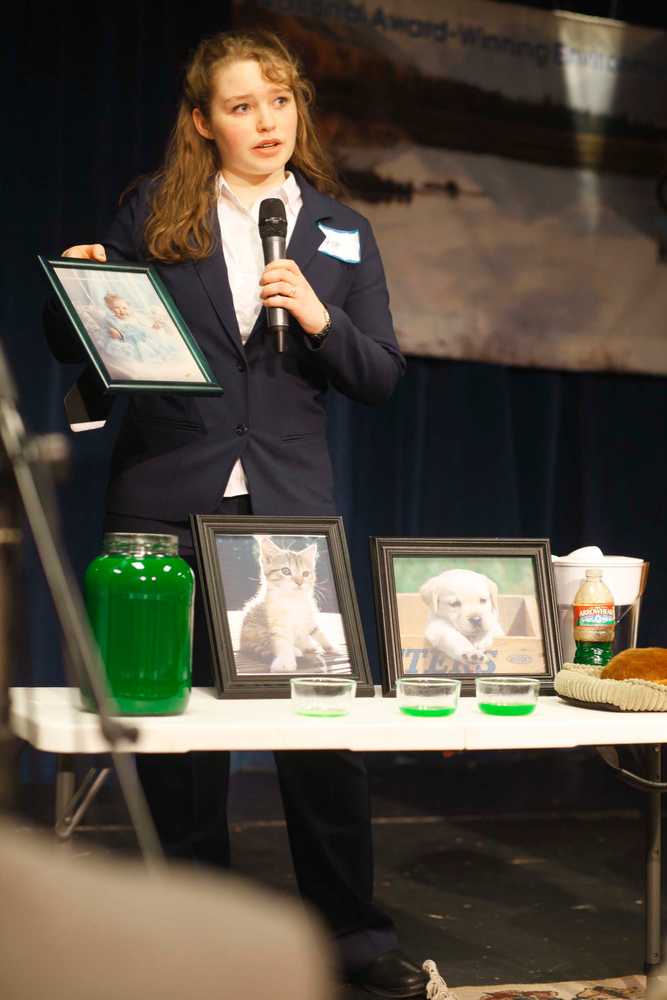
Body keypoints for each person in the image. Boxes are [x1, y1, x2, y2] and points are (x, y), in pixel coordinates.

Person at [44, 29, 427, 999]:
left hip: (286, 516)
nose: (265, 122)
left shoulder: (339, 230)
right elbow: (90, 340)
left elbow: (380, 374)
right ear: (204, 123)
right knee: (179, 741)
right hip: (167, 496)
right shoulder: (156, 212)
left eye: (280, 101)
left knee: (318, 740)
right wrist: (83, 287)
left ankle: (352, 938)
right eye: (242, 106)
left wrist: (318, 316)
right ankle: (190, 937)